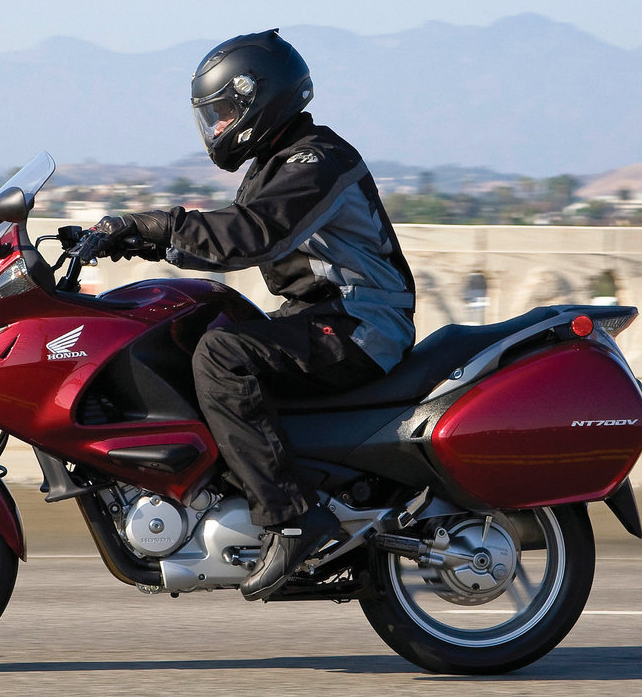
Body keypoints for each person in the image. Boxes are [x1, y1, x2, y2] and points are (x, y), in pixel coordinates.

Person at [83, 29, 416, 601]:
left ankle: (293, 518)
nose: (217, 127)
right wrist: (113, 240)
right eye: (211, 116)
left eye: (226, 112)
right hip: (324, 318)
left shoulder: (317, 160)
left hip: (363, 324)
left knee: (223, 354)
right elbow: (233, 236)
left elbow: (253, 234)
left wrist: (151, 227)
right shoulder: (273, 166)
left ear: (261, 99)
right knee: (201, 324)